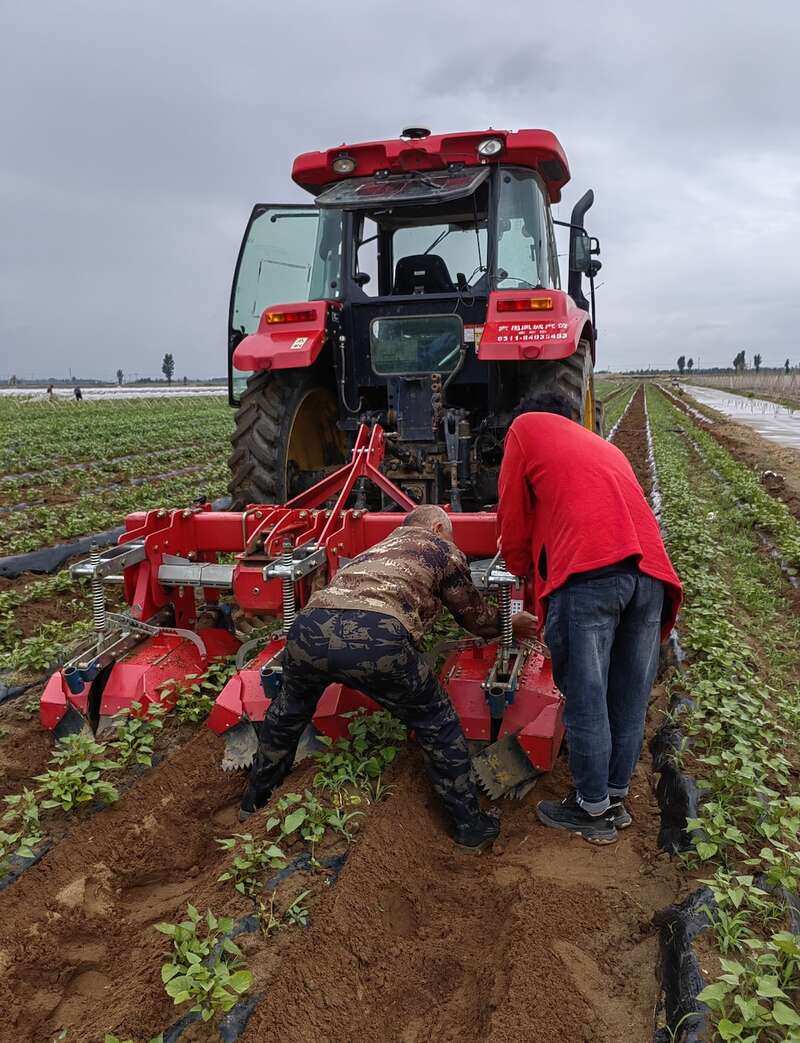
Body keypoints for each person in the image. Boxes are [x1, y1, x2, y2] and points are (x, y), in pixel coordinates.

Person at [241, 504, 538, 851]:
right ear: (437, 529)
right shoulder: (440, 548)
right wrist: (509, 623)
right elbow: (476, 619)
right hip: (376, 636)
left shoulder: (374, 551)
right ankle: (471, 827)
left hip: (310, 628)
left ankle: (254, 803)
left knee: (287, 714)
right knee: (437, 722)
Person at [497, 392, 682, 845]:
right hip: (651, 576)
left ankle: (591, 808)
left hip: (590, 573)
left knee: (586, 697)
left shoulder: (525, 428)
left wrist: (519, 569)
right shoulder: (603, 447)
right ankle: (614, 799)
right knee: (628, 696)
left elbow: (512, 516)